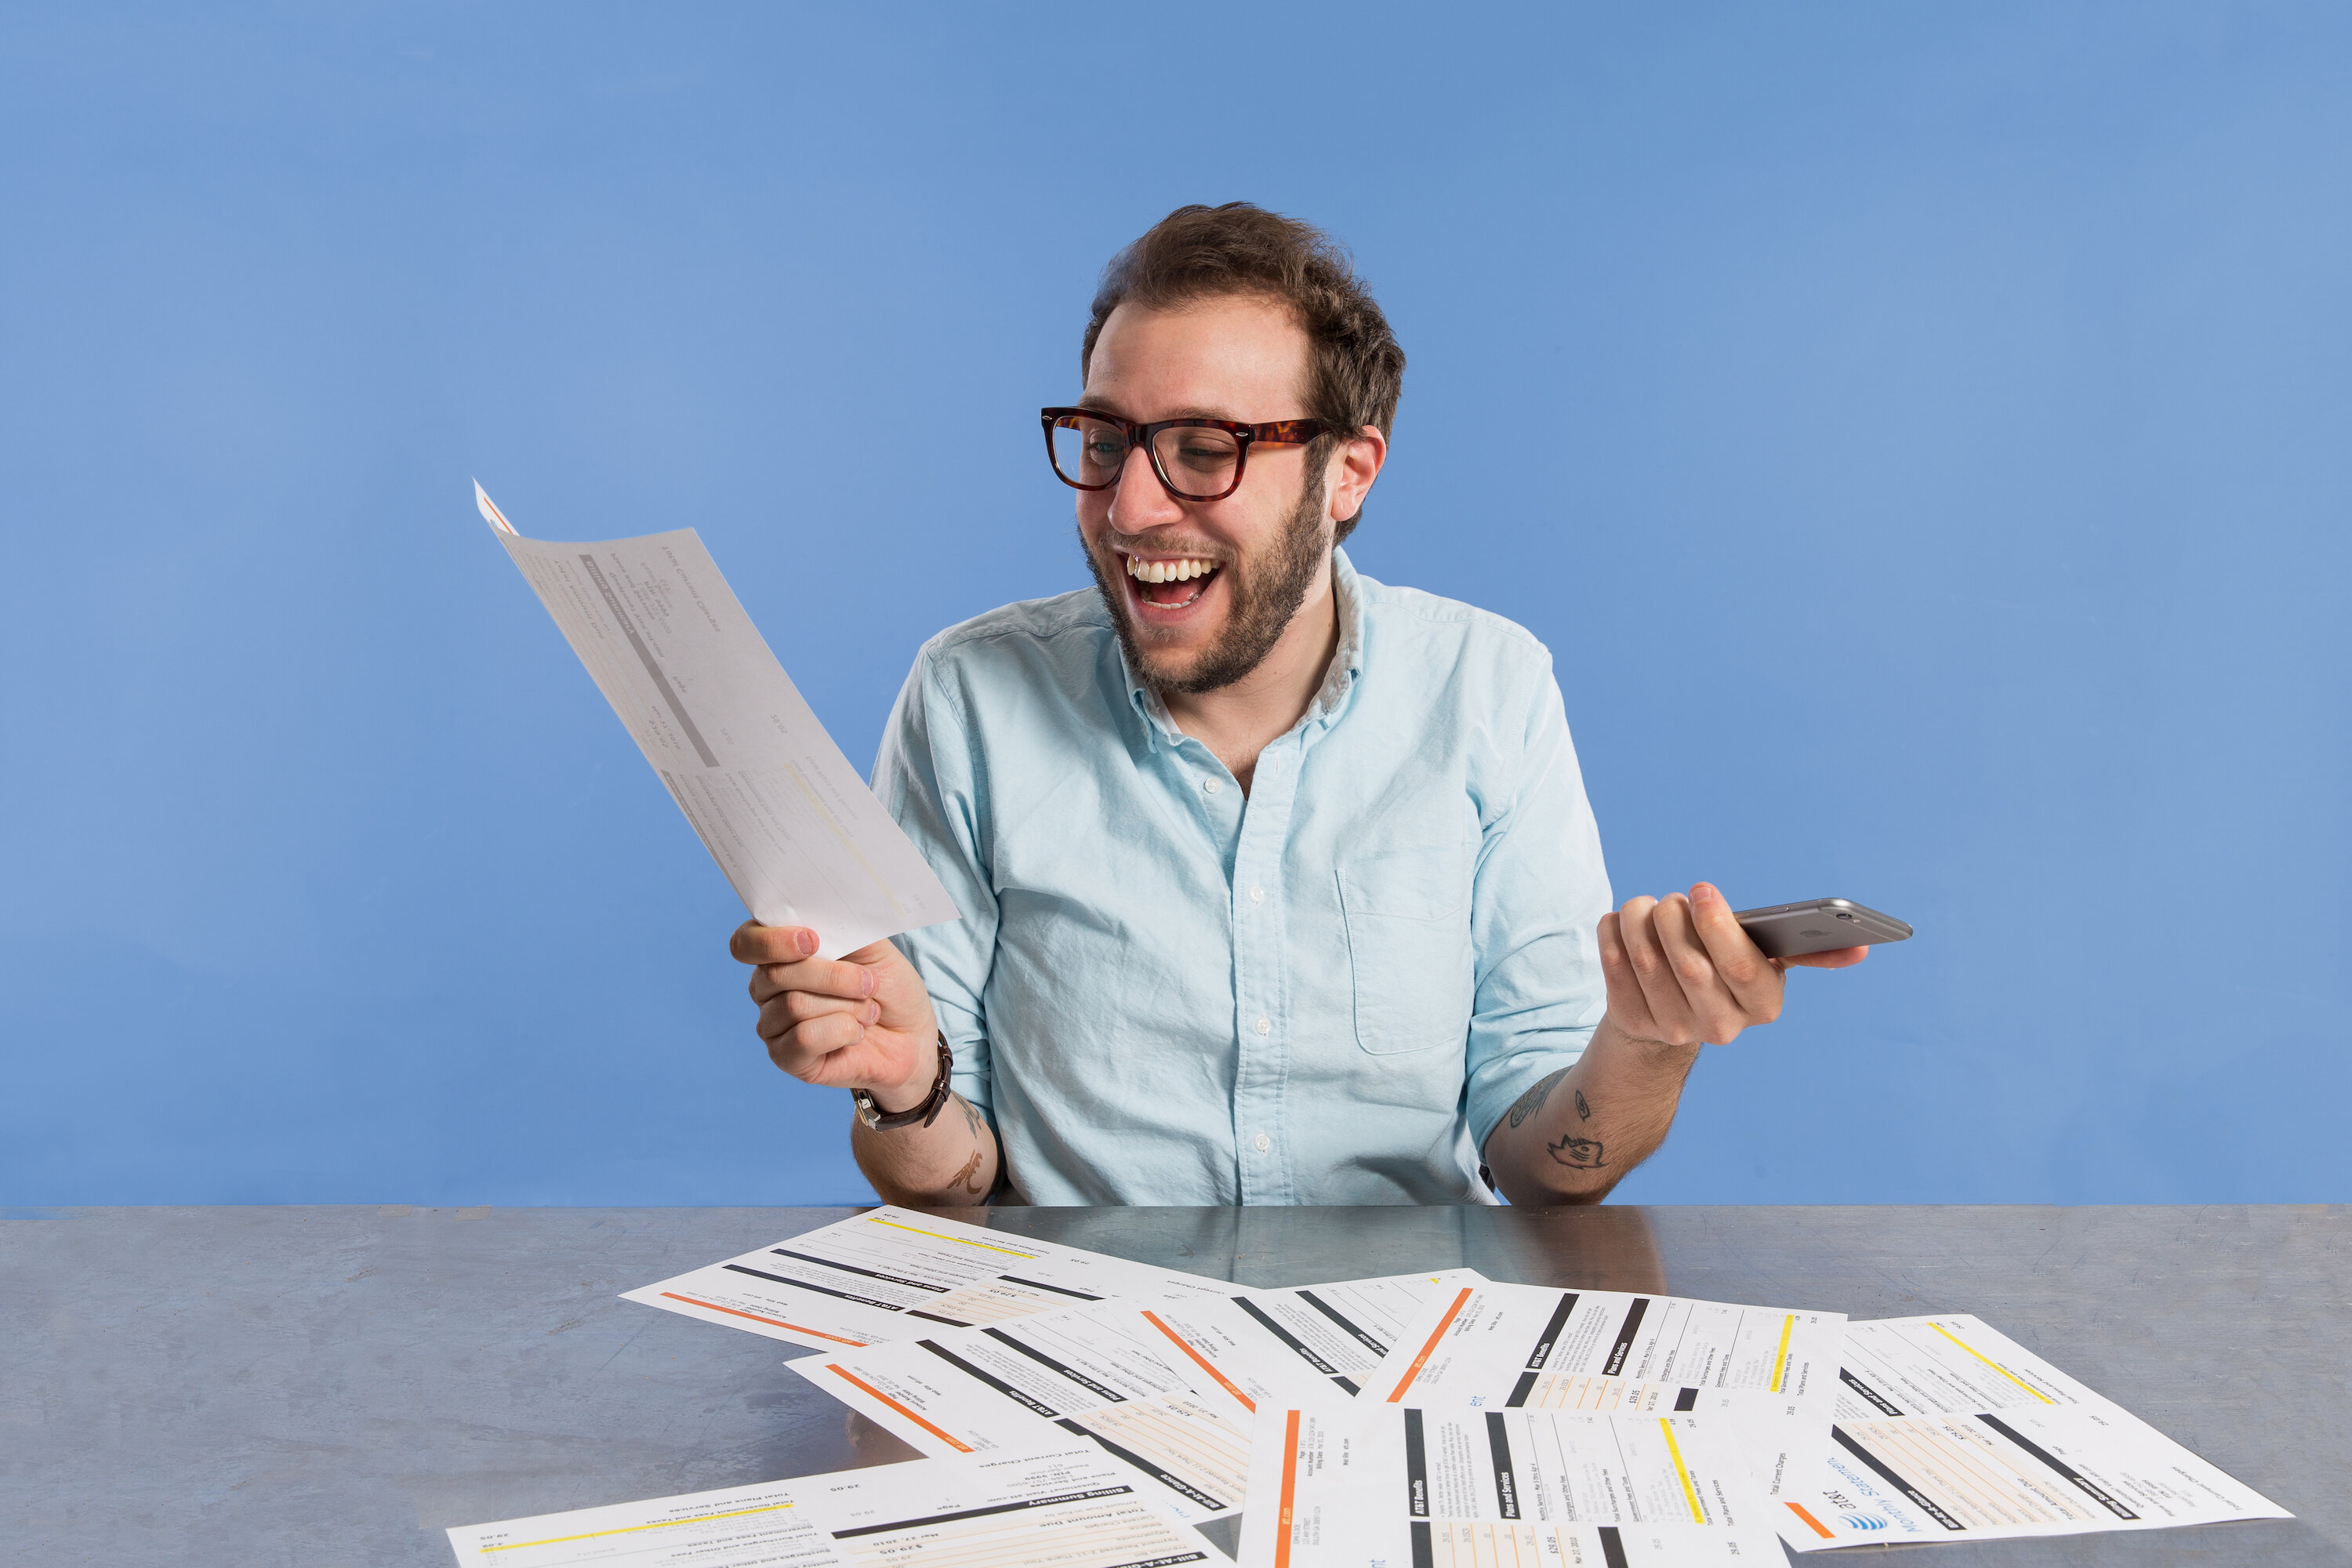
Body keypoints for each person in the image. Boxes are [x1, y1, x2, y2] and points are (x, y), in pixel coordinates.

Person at [731, 203, 1864, 1208]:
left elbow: (1539, 1169)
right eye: (1106, 440)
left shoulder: (1489, 689)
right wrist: (908, 1090)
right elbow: (951, 1182)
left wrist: (1647, 1044)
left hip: (1397, 1357)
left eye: (1203, 449)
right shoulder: (970, 698)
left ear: (1350, 474)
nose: (1129, 506)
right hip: (1076, 1348)